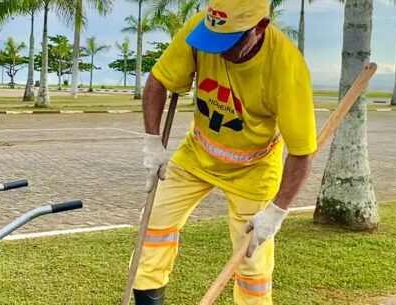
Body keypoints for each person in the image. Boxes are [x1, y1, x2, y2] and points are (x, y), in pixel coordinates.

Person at [135, 0, 317, 304]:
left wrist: (277, 211)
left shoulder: (286, 67)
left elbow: (302, 153)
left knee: (251, 259)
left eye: (230, 42)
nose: (219, 50)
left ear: (260, 27)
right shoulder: (201, 31)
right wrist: (152, 142)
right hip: (197, 154)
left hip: (254, 168)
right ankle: (147, 298)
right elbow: (159, 80)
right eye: (214, 41)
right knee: (153, 225)